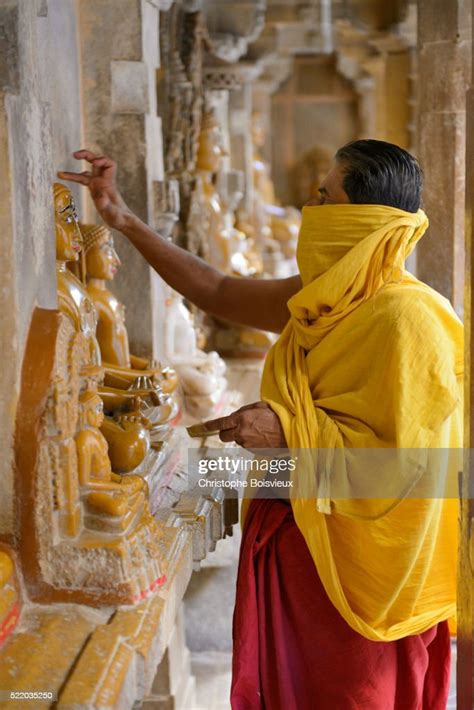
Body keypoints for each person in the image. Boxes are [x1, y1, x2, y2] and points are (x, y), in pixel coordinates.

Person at [59, 139, 462, 709]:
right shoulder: (326, 299)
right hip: (299, 539)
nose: (310, 209)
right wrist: (123, 220)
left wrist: (290, 432)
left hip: (362, 572)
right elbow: (219, 291)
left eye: (326, 197)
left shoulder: (409, 318)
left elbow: (414, 472)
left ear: (359, 219)